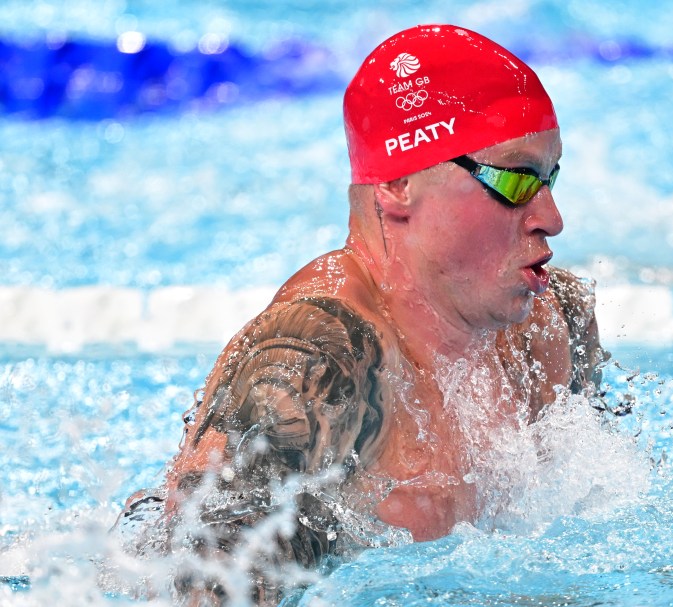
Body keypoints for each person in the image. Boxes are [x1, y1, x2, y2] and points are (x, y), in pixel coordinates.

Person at [116, 23, 605, 605]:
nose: (552, 216)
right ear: (399, 183)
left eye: (550, 178)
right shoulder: (320, 358)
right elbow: (206, 592)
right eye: (515, 179)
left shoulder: (553, 325)